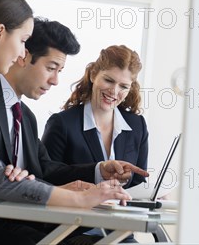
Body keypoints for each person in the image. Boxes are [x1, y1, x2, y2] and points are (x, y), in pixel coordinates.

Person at [0, 0, 137, 244]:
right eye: (23, 41)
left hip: (7, 212)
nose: (22, 52)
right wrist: (74, 198)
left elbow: (37, 169)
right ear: (0, 33)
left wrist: (76, 185)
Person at [42, 45, 148, 189]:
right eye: (109, 80)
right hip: (76, 210)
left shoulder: (137, 125)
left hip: (121, 210)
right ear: (93, 75)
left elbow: (138, 183)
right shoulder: (62, 123)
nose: (114, 91)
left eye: (123, 86)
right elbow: (46, 176)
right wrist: (97, 172)